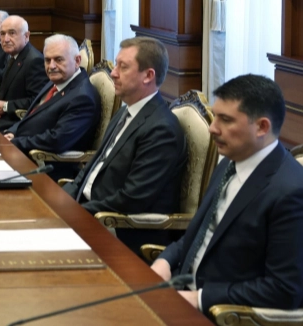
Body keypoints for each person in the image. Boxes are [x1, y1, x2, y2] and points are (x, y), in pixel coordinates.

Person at [151, 74, 303, 314]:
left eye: (225, 120)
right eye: (215, 116)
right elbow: (200, 234)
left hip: (222, 313)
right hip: (178, 291)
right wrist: (165, 260)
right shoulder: (229, 163)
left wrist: (200, 299)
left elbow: (284, 289)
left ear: (262, 127)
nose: (212, 128)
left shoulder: (291, 191)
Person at [63, 37, 187, 253]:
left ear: (148, 75)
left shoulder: (161, 129)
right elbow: (93, 167)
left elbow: (132, 198)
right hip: (91, 212)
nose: (113, 73)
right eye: (116, 65)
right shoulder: (125, 111)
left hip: (119, 232)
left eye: (123, 67)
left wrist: (77, 212)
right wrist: (63, 198)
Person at [4, 34, 100, 178]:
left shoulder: (82, 98)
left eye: (59, 59)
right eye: (47, 60)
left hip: (44, 168)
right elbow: (32, 114)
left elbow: (57, 140)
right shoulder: (57, 80)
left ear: (77, 61)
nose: (52, 66)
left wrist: (15, 142)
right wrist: (12, 132)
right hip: (22, 151)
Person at [0, 15, 47, 132]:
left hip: (17, 122)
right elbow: (3, 90)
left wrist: (5, 107)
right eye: (2, 34)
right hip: (1, 117)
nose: (6, 39)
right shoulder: (13, 55)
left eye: (12, 33)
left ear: (26, 36)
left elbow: (38, 101)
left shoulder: (34, 61)